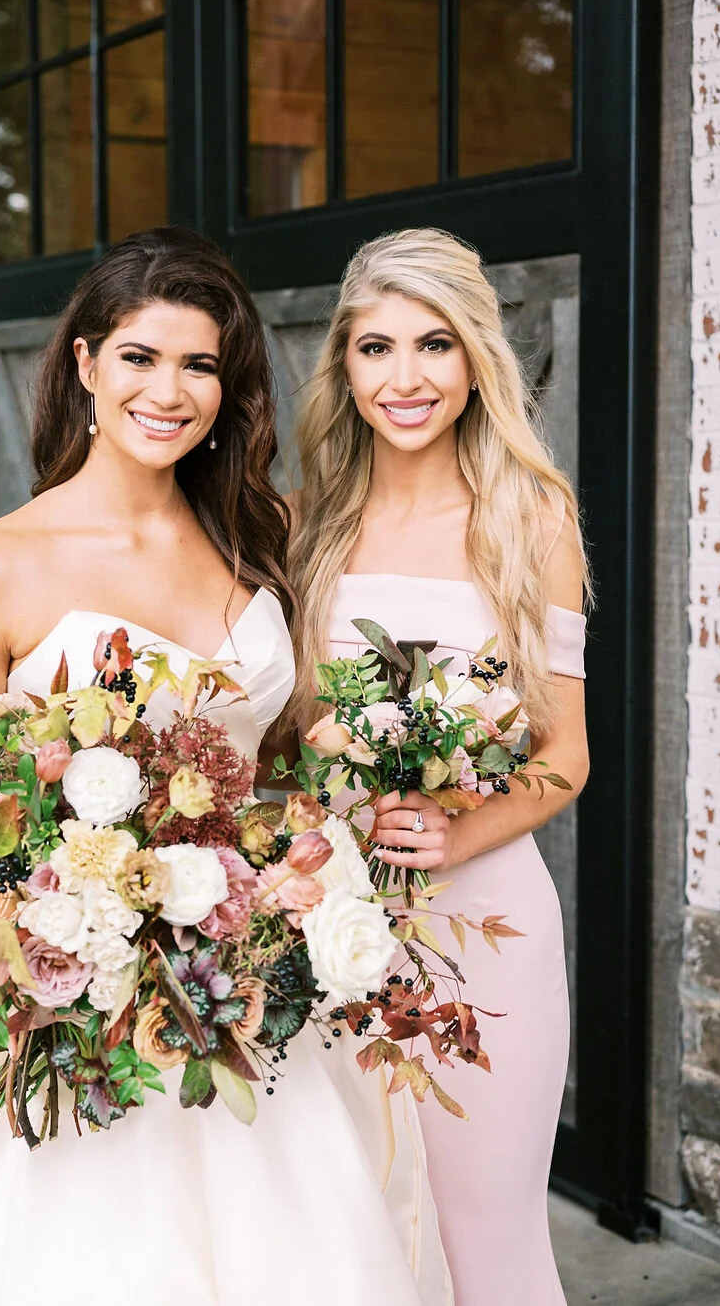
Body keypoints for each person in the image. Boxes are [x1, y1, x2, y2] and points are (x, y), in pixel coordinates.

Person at [0, 228, 451, 1306]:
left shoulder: (265, 538)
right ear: (83, 364)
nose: (171, 391)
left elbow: (283, 766)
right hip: (53, 989)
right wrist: (84, 943)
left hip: (239, 986)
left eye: (199, 364)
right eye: (140, 358)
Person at [288, 227, 590, 1306]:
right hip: (329, 924)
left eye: (433, 345)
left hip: (484, 927)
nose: (404, 378)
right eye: (375, 348)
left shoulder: (529, 519)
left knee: (484, 1233)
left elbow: (565, 758)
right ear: (345, 366)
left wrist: (461, 829)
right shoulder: (310, 527)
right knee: (354, 1229)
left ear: (474, 359)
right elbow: (289, 732)